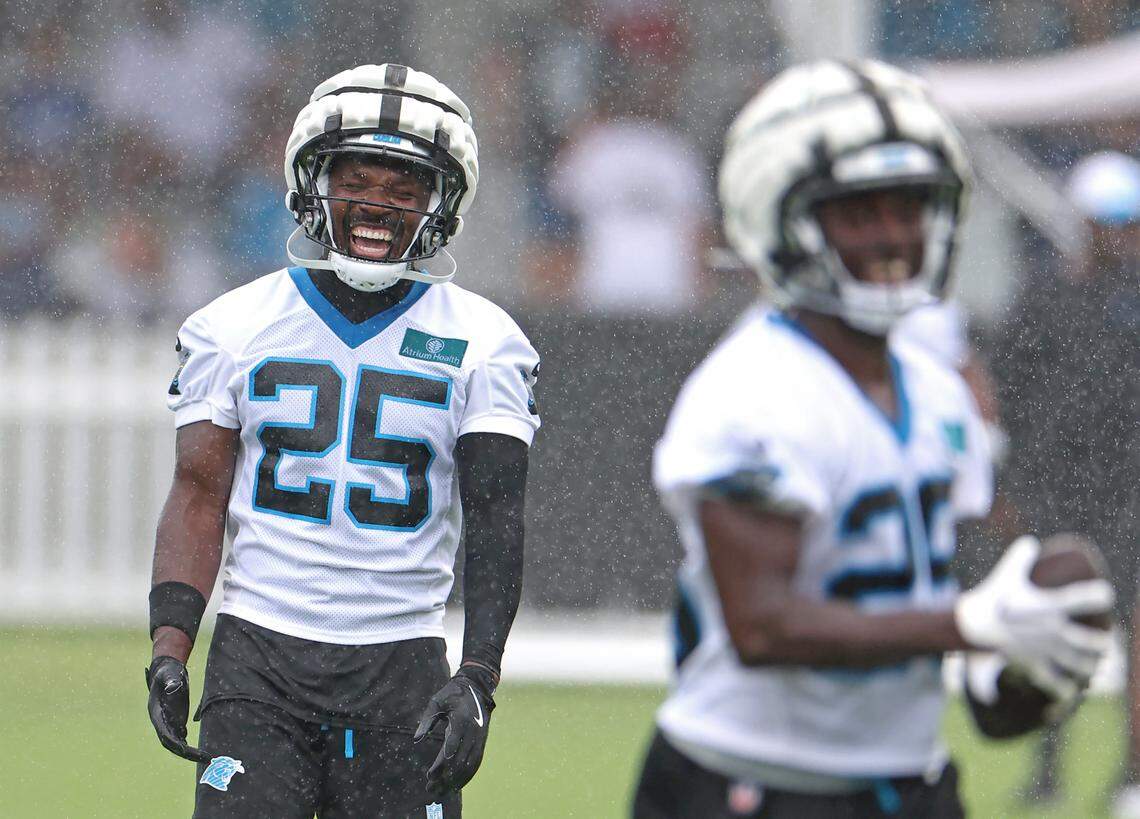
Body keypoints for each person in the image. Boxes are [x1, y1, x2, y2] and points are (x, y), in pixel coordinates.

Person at [631, 59, 1115, 818]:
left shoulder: (936, 393)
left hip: (910, 780)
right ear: (780, 217)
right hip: (751, 781)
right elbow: (764, 625)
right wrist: (968, 625)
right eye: (860, 213)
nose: (895, 235)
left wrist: (1014, 670)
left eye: (910, 208)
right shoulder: (752, 389)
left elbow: (927, 603)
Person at [144, 63, 541, 818]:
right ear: (312, 184)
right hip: (259, 656)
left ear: (441, 202)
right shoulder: (231, 327)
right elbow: (198, 492)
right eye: (358, 180)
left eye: (404, 190)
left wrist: (479, 676)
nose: (378, 206)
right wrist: (170, 648)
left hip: (402, 663)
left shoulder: (485, 342)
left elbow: (496, 516)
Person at [993, 150, 1140, 815]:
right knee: (1056, 630)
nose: (1123, 235)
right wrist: (1011, 485)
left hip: (1131, 491)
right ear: (1083, 222)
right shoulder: (1042, 299)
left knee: (1133, 631)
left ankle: (1132, 771)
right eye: (1111, 221)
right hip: (1059, 492)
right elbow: (1011, 398)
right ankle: (1048, 767)